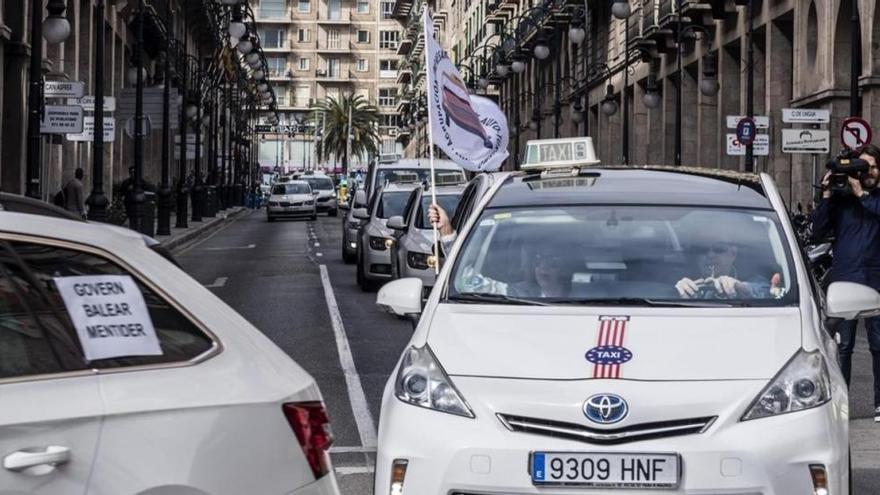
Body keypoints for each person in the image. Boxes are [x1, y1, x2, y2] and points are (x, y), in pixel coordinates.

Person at [812, 144, 880, 421]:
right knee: (843, 346)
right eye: (863, 167)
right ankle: (842, 404)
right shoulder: (842, 201)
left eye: (873, 167)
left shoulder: (872, 198)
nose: (868, 172)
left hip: (876, 280)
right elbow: (818, 231)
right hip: (845, 279)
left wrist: (862, 194)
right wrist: (827, 195)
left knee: (878, 345)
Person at [673, 239, 769, 299]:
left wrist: (741, 287)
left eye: (719, 249)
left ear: (733, 254)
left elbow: (769, 292)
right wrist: (678, 292)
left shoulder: (749, 278)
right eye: (702, 249)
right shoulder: (682, 277)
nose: (710, 255)